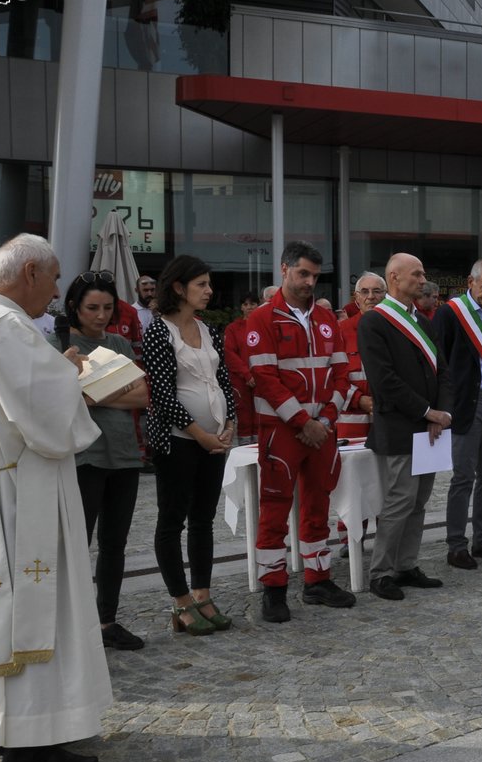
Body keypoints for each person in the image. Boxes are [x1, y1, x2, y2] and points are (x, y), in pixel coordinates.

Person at [0, 234, 113, 762]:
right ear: (28, 273)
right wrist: (74, 375)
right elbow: (44, 416)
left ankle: (9, 729)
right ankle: (31, 742)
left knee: (6, 615)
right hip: (24, 496)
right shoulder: (6, 328)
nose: (54, 289)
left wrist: (56, 371)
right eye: (52, 277)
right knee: (34, 612)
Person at [245, 242, 358, 622]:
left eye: (314, 275)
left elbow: (343, 376)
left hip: (321, 432)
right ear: (284, 270)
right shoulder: (262, 319)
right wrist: (303, 421)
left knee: (318, 506)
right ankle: (274, 588)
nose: (309, 282)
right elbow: (264, 379)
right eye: (302, 274)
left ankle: (318, 580)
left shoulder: (328, 320)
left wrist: (324, 421)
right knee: (274, 509)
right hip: (282, 431)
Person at [143, 255, 239, 636]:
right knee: (172, 520)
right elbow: (162, 395)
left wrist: (229, 422)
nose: (209, 291)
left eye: (209, 284)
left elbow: (223, 380)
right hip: (179, 441)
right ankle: (180, 601)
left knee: (203, 519)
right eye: (201, 284)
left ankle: (202, 594)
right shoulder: (158, 331)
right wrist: (200, 433)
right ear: (179, 288)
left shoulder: (208, 328)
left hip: (214, 438)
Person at [58, 271, 149, 650]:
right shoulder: (59, 346)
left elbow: (142, 396)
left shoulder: (119, 343)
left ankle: (107, 620)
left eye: (107, 307)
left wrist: (92, 394)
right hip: (84, 457)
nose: (100, 315)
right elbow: (60, 399)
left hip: (124, 454)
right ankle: (73, 625)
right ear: (74, 308)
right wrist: (112, 389)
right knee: (77, 543)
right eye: (92, 307)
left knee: (115, 543)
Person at [359, 253, 452, 600]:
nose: (423, 279)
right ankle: (381, 572)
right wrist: (427, 411)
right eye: (417, 274)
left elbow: (442, 371)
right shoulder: (375, 322)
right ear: (395, 278)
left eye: (423, 273)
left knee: (420, 500)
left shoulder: (424, 322)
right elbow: (384, 381)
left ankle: (406, 564)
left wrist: (442, 412)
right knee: (399, 501)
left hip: (431, 428)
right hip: (400, 426)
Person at [432, 258, 482, 568]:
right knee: (463, 477)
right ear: (470, 282)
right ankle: (456, 545)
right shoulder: (449, 313)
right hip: (464, 404)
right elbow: (440, 361)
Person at [336, 272, 385, 445]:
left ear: (386, 296)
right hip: (351, 424)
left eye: (377, 291)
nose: (371, 297)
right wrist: (359, 399)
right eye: (365, 292)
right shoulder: (341, 331)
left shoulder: (398, 329)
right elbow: (331, 375)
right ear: (356, 298)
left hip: (388, 420)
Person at [223, 291, 261, 442]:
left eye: (253, 304)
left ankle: (261, 451)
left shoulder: (264, 325)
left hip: (261, 378)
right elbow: (229, 353)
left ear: (258, 305)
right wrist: (247, 374)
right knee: (244, 416)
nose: (249, 307)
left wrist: (258, 375)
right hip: (240, 379)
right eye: (246, 304)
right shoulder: (232, 328)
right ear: (241, 307)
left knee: (261, 415)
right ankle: (245, 454)